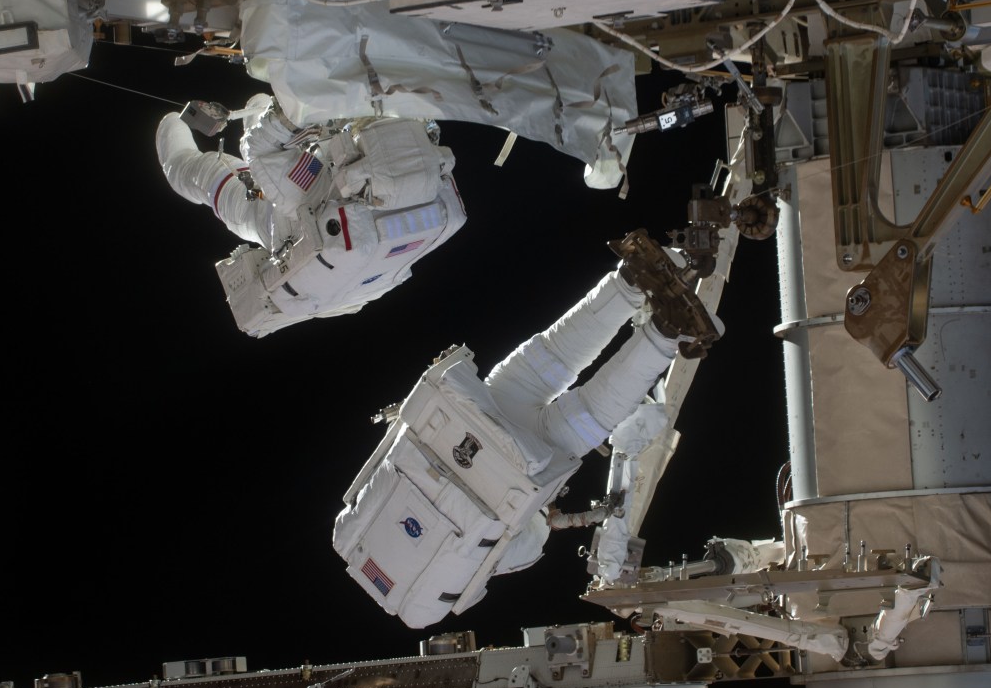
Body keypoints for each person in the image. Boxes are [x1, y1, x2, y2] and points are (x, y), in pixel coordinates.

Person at [333, 231, 719, 627]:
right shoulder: (351, 530)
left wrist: (543, 514)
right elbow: (393, 444)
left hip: (528, 464)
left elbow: (528, 539)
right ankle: (629, 281)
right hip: (470, 411)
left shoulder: (437, 594)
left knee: (593, 409)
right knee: (555, 355)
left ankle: (665, 333)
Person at [155, 96, 464, 336]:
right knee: (260, 111)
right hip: (353, 287)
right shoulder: (430, 177)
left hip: (281, 225)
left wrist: (294, 106)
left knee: (208, 166)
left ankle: (169, 124)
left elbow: (259, 148)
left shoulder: (315, 183)